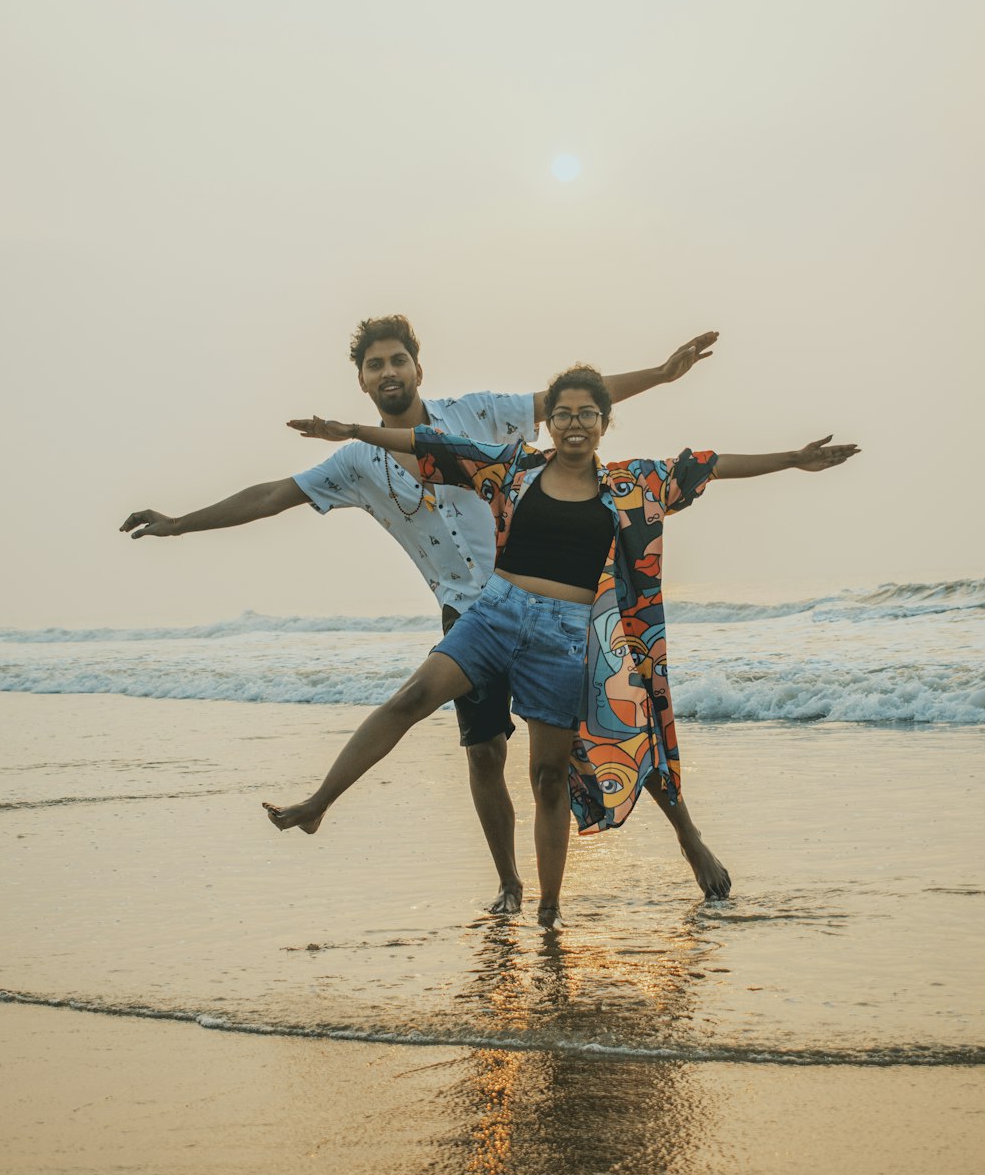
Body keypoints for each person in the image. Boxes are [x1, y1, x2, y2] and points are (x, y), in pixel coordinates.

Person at [120, 314, 721, 912]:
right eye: (375, 364)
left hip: (555, 604)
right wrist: (178, 525)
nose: (388, 372)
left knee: (615, 730)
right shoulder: (355, 463)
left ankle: (688, 838)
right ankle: (511, 886)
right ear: (361, 380)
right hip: (469, 615)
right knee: (484, 752)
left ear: (417, 368)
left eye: (397, 360)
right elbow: (273, 495)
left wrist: (665, 375)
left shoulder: (477, 414)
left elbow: (571, 402)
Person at [265, 364, 859, 929]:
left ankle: (548, 910)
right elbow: (437, 446)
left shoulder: (635, 483)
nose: (576, 424)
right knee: (413, 696)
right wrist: (352, 431)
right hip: (495, 613)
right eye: (565, 414)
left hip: (567, 636)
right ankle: (318, 804)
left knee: (549, 777)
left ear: (605, 422)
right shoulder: (515, 468)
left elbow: (706, 464)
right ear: (549, 423)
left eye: (589, 414)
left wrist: (793, 460)